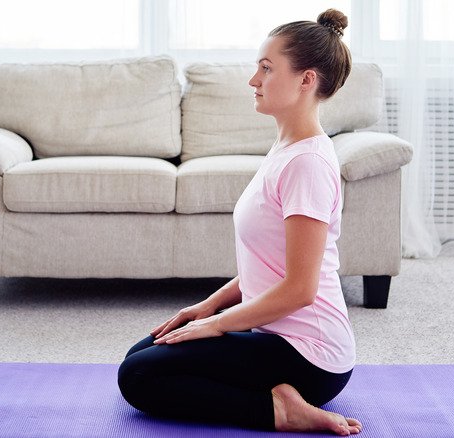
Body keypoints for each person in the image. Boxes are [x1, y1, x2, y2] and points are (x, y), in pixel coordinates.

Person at [118, 9, 360, 435]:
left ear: (306, 80)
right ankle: (274, 396)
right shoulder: (285, 149)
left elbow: (301, 290)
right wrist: (209, 306)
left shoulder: (307, 163)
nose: (254, 80)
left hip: (311, 353)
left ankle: (283, 412)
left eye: (267, 69)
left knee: (138, 378)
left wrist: (216, 326)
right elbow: (268, 263)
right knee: (143, 353)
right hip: (273, 334)